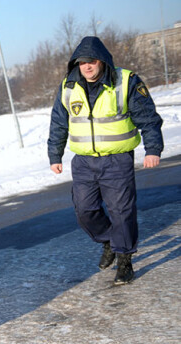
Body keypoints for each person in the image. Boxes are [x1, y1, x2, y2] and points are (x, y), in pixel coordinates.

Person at [47, 36, 163, 286]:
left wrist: (152, 148)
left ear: (102, 61)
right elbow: (58, 122)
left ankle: (124, 260)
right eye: (81, 62)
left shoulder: (125, 81)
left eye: (92, 61)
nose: (87, 66)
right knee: (84, 210)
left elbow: (148, 117)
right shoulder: (68, 87)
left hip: (117, 160)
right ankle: (109, 240)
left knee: (122, 210)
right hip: (84, 162)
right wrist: (54, 155)